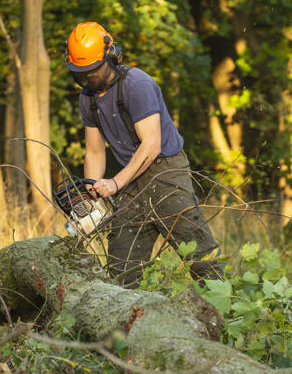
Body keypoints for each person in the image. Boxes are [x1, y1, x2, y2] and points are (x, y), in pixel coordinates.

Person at [65, 22, 222, 286]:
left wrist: (115, 182)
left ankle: (228, 310)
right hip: (131, 181)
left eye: (94, 71)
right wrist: (92, 189)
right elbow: (94, 150)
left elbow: (151, 145)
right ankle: (126, 322)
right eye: (82, 74)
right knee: (121, 269)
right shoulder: (87, 98)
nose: (89, 79)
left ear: (111, 56)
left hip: (165, 173)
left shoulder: (137, 85)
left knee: (200, 256)